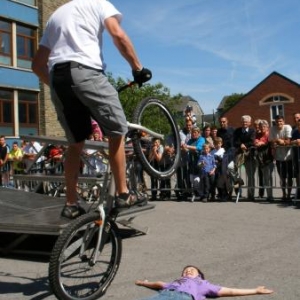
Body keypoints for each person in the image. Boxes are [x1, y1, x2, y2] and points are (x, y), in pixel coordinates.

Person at [32, 0, 152, 219]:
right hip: (86, 71)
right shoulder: (99, 4)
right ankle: (123, 194)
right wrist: (137, 67)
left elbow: (37, 65)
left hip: (59, 79)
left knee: (75, 143)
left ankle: (71, 203)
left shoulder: (56, 15)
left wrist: (63, 87)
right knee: (118, 129)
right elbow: (118, 35)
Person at [135, 265, 273, 300]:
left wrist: (255, 290)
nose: (188, 271)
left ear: (199, 275)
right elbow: (159, 284)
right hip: (163, 295)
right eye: (185, 270)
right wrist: (143, 282)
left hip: (183, 297)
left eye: (192, 270)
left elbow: (229, 291)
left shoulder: (202, 284)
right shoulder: (175, 282)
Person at [269, 115, 293, 201]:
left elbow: (288, 141)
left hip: (289, 157)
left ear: (283, 121)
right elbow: (271, 141)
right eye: (277, 121)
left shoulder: (287, 127)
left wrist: (279, 141)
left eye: (280, 121)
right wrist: (279, 141)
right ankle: (284, 194)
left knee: (289, 177)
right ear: (275, 122)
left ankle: (289, 195)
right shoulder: (272, 129)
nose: (279, 123)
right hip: (279, 158)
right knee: (282, 177)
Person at [233, 115, 256, 201]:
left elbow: (252, 141)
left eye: (246, 122)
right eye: (243, 121)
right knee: (232, 169)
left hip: (249, 155)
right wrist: (240, 145)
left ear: (249, 123)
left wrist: (245, 145)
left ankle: (251, 194)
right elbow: (235, 140)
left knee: (250, 175)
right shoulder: (237, 131)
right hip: (239, 154)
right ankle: (239, 191)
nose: (244, 123)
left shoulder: (252, 131)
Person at [254, 120, 274, 202]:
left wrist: (262, 143)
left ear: (267, 127)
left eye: (264, 126)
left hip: (268, 158)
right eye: (261, 126)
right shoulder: (258, 135)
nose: (262, 128)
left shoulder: (269, 134)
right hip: (260, 159)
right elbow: (255, 142)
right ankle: (267, 195)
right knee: (264, 178)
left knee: (268, 178)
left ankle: (270, 196)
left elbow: (269, 142)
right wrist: (257, 142)